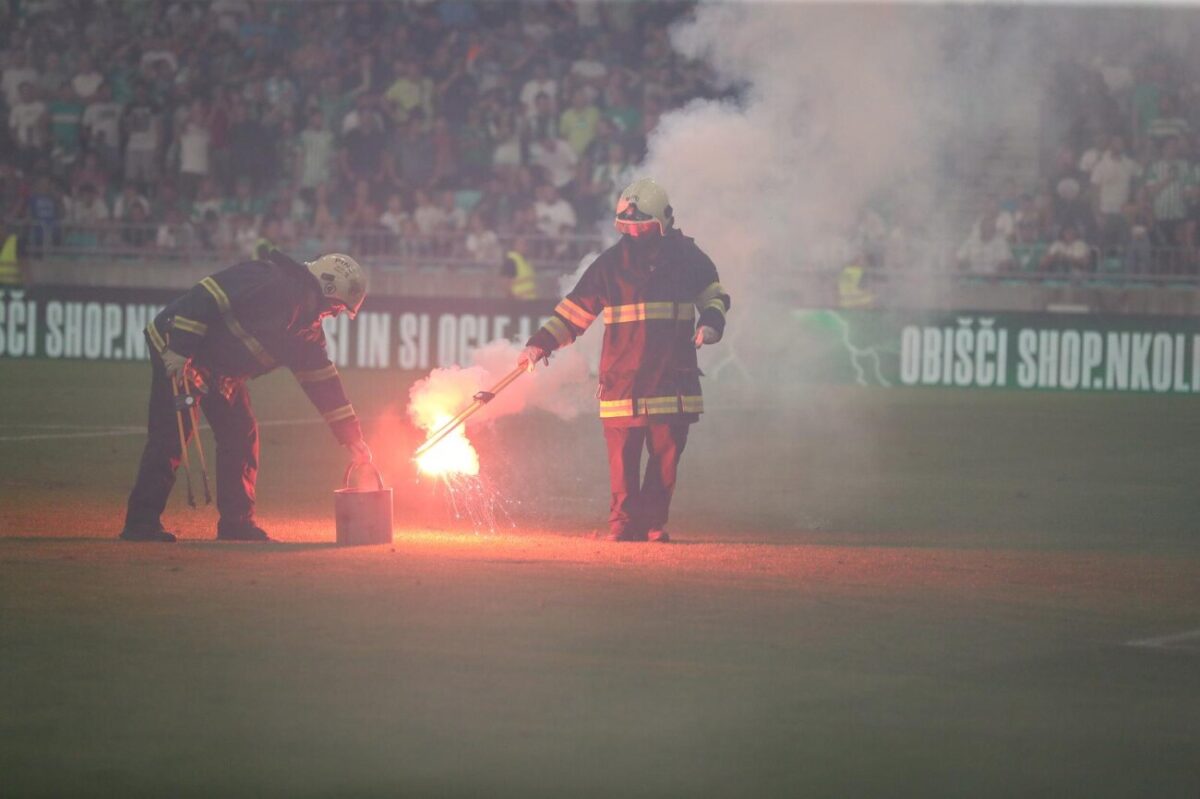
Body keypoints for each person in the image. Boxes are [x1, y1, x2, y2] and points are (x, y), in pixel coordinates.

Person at [518, 178, 730, 542]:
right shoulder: (608, 265)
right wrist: (540, 344)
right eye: (627, 225)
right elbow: (572, 315)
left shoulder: (689, 259)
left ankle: (651, 524)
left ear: (663, 222)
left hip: (671, 380)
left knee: (664, 461)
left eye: (642, 224)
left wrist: (711, 324)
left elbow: (715, 297)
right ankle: (622, 526)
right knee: (622, 464)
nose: (633, 232)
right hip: (623, 381)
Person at [120, 250, 374, 542]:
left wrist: (351, 436)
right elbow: (206, 297)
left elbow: (322, 383)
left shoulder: (307, 330)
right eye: (337, 307)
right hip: (179, 349)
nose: (336, 313)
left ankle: (236, 524)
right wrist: (180, 349)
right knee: (172, 436)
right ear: (327, 288)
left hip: (219, 371)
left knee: (241, 434)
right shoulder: (269, 278)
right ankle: (141, 523)